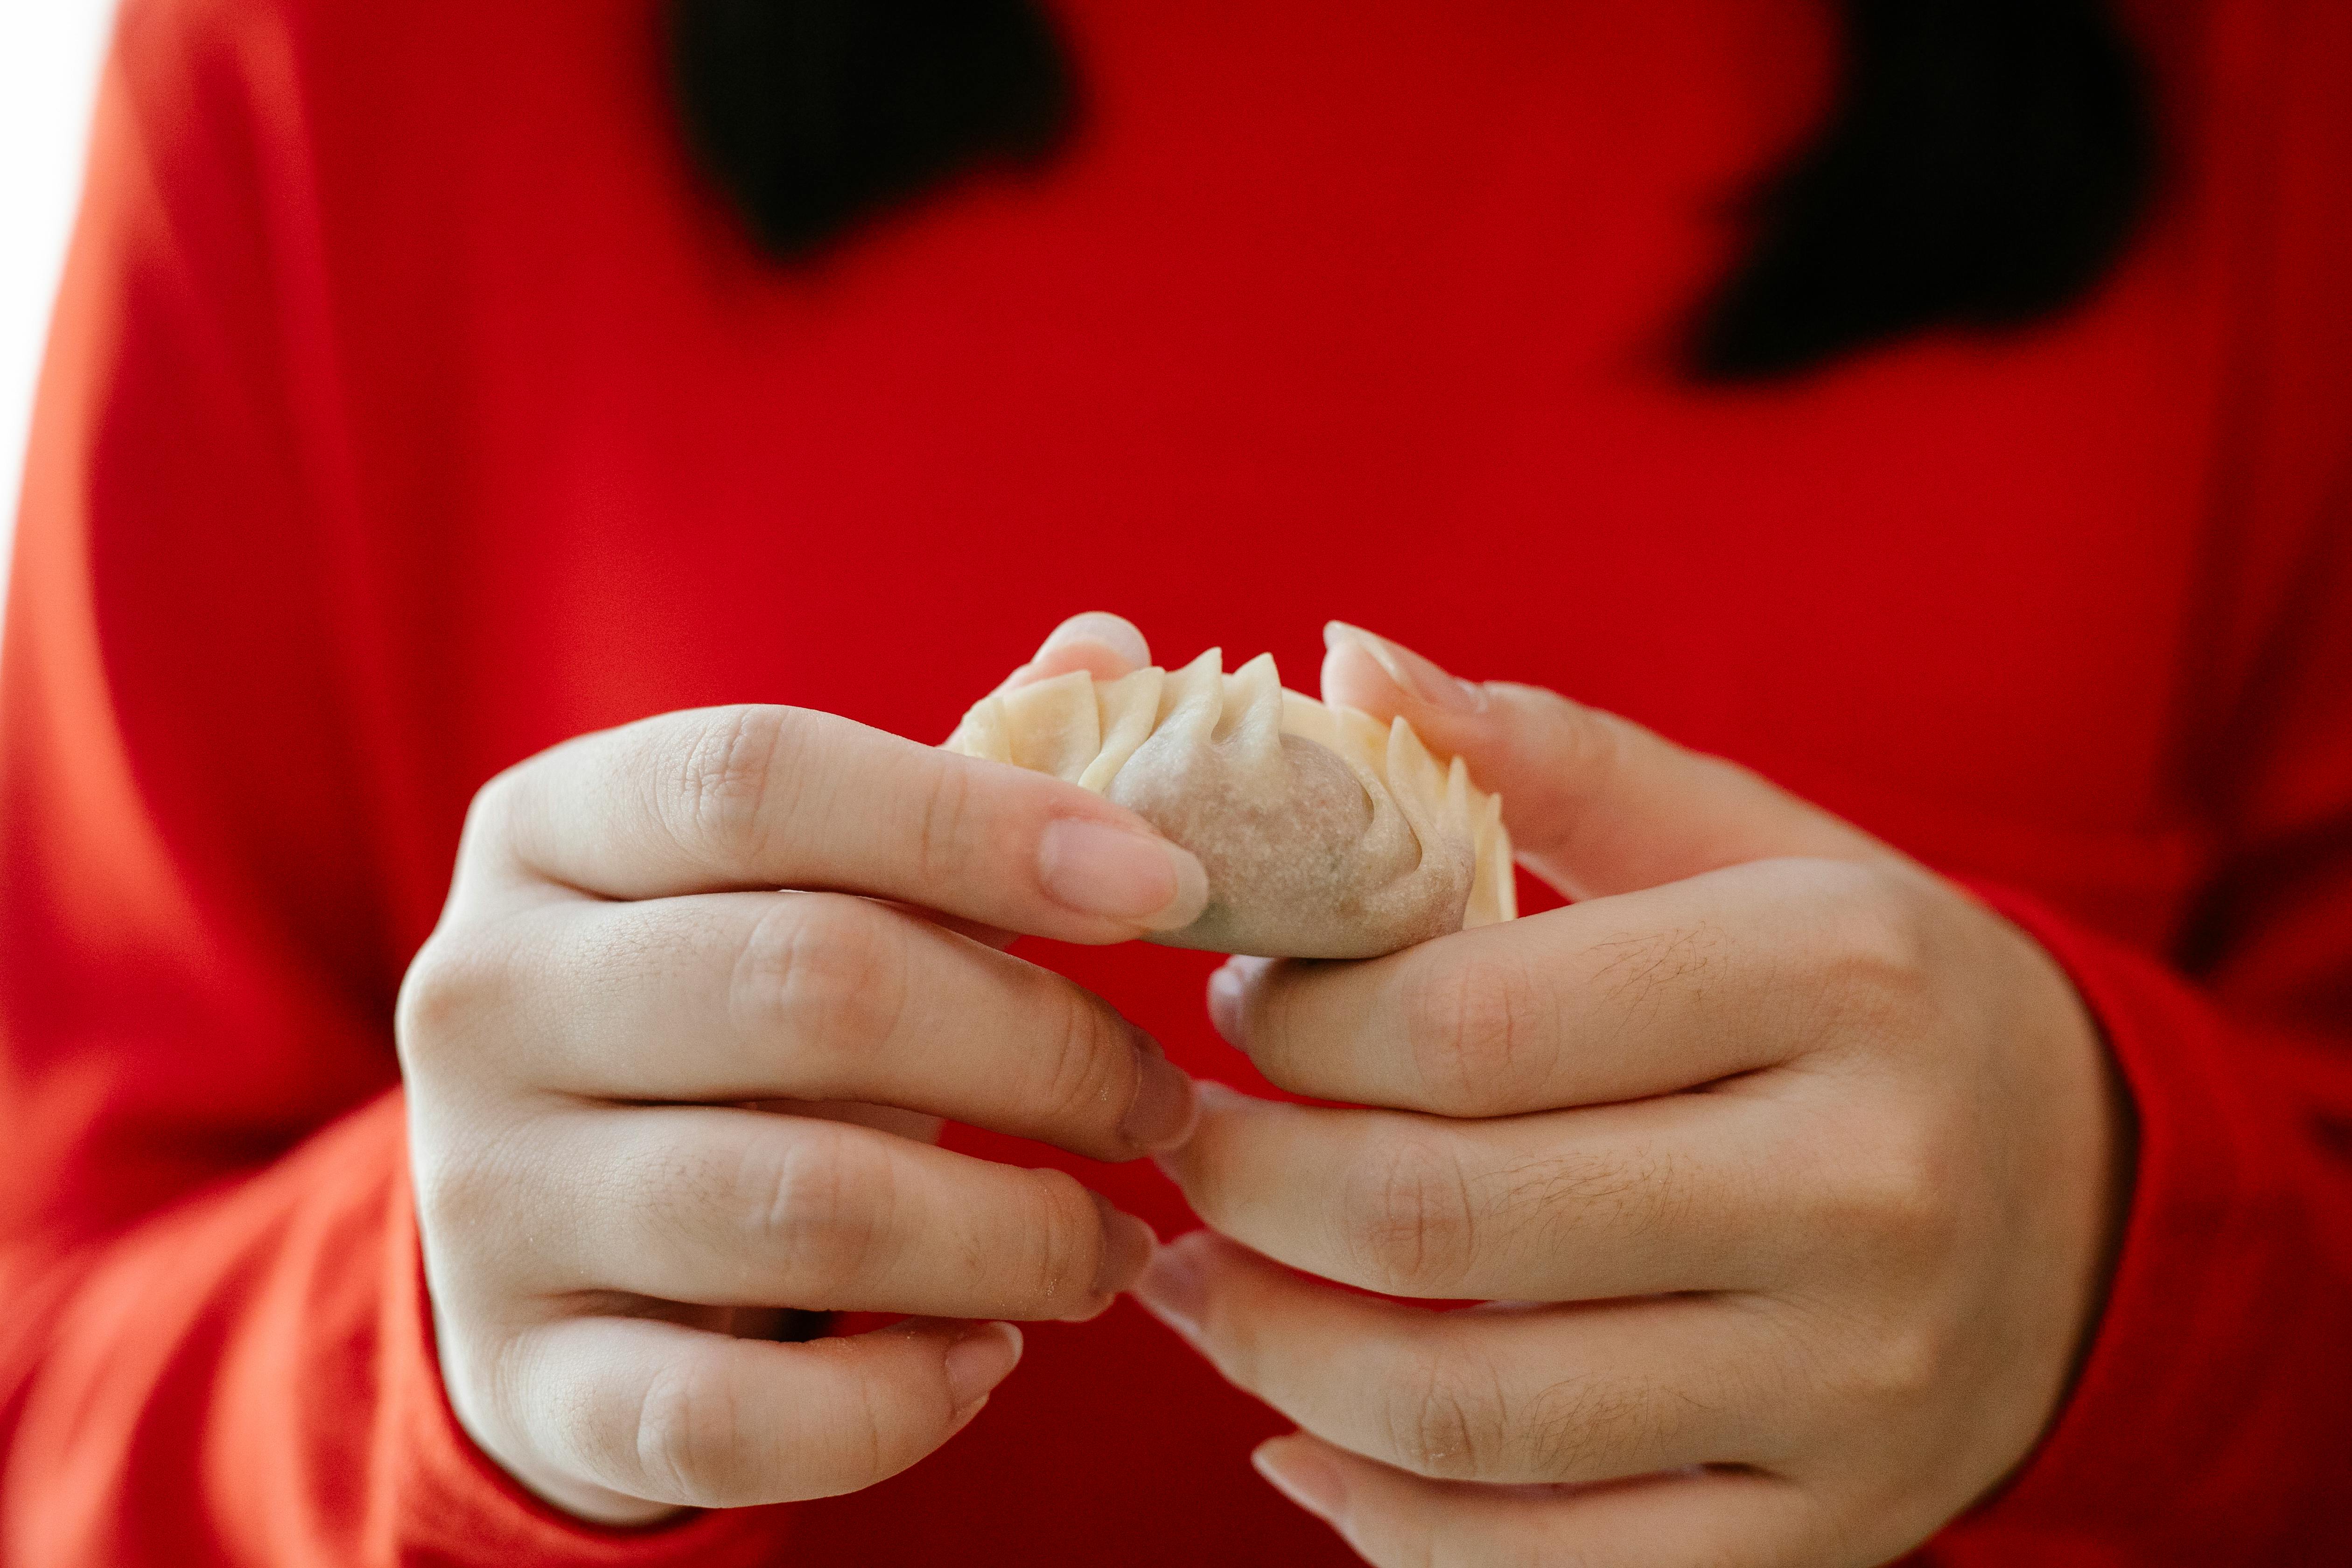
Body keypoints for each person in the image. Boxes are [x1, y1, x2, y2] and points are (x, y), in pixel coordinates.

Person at [3, 0, 2347, 1563]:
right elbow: (43, 1382)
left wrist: (2130, 1271)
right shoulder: (345, 64)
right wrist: (427, 1338)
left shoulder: (2279, 86)